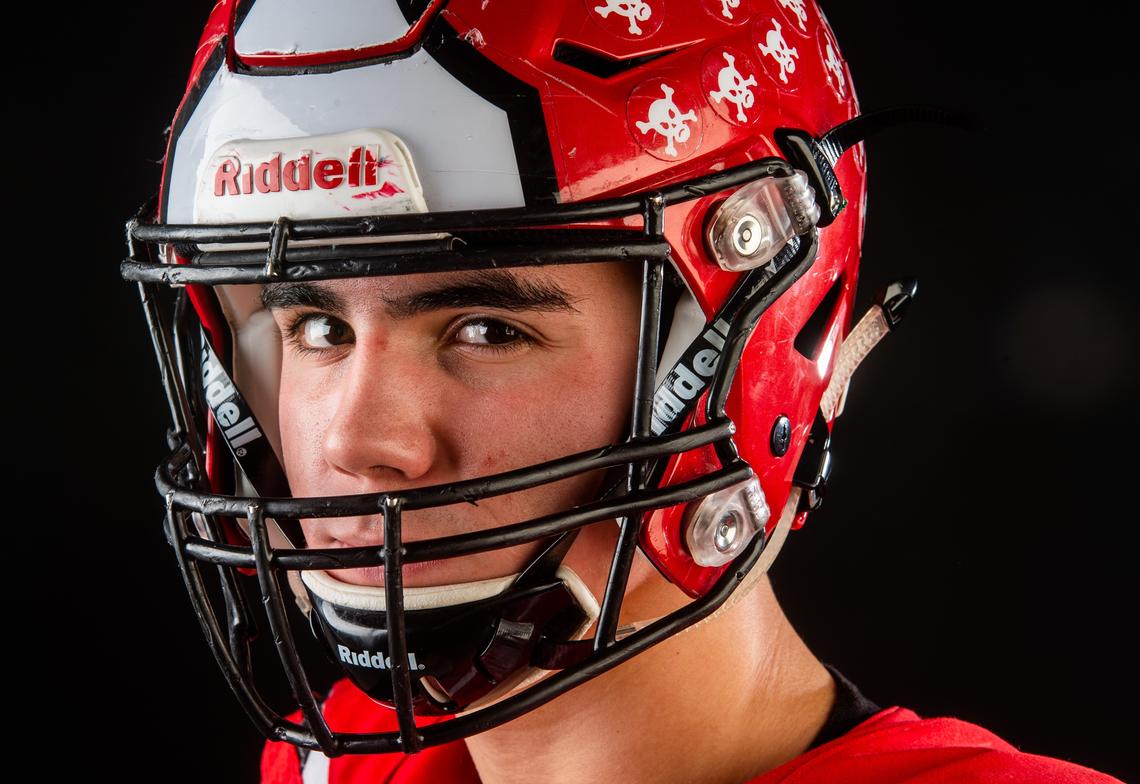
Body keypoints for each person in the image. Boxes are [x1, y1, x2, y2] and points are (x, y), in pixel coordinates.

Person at [122, 1, 1124, 782]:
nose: (356, 442)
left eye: (486, 329)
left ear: (744, 354)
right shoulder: (340, 758)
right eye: (317, 327)